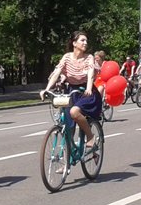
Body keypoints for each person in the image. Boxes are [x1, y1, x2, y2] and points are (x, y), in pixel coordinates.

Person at [40, 31, 102, 159]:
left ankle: (90, 137)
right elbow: (57, 72)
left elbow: (90, 73)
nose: (85, 43)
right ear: (74, 43)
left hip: (86, 92)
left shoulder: (89, 57)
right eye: (82, 40)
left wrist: (89, 87)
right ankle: (67, 160)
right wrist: (46, 89)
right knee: (68, 126)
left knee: (74, 112)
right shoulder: (67, 57)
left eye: (86, 40)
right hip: (71, 92)